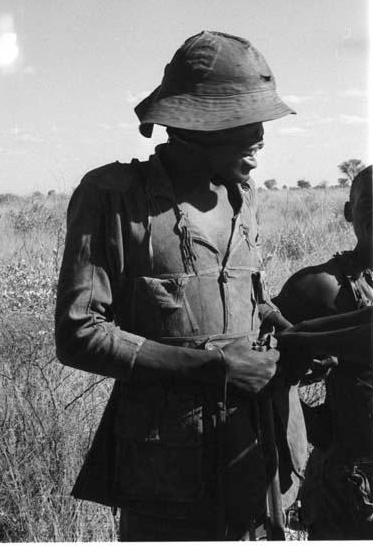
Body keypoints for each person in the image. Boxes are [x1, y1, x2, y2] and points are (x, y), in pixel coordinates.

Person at [55, 30, 308, 541]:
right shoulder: (114, 197)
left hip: (256, 454)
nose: (260, 135)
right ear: (199, 128)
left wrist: (289, 332)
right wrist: (212, 366)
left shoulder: (244, 193)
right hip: (166, 473)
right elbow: (79, 333)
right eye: (245, 122)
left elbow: (249, 302)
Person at [274, 165, 373, 539]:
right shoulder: (318, 288)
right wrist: (317, 426)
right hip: (351, 487)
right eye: (371, 206)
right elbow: (264, 362)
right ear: (350, 213)